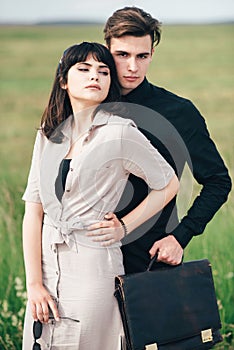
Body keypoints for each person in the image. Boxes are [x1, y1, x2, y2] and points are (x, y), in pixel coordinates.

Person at [22, 42, 179, 349]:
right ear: (64, 80)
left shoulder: (120, 132)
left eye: (103, 71)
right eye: (84, 69)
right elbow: (33, 211)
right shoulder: (48, 134)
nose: (95, 76)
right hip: (46, 264)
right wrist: (34, 284)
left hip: (93, 264)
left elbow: (169, 183)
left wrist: (125, 225)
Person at [90, 6, 232, 273]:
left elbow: (218, 181)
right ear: (106, 51)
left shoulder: (179, 112)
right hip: (88, 258)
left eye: (142, 56)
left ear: (152, 54)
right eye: (122, 55)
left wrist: (181, 236)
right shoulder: (87, 106)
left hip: (148, 262)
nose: (133, 67)